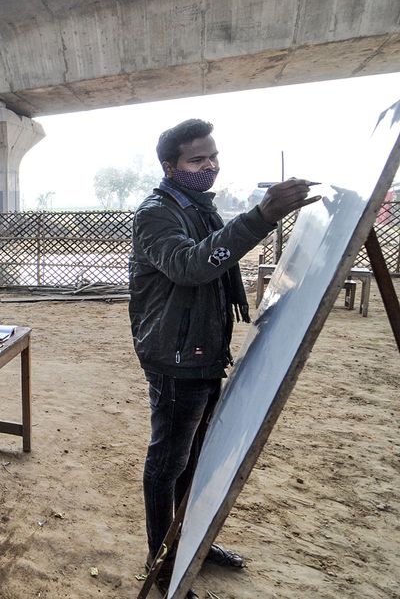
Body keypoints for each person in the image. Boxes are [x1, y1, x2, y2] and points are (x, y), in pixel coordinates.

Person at [130, 118, 319, 597]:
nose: (209, 166)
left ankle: (189, 541)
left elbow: (212, 259)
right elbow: (190, 266)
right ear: (170, 167)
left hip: (204, 350)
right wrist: (261, 216)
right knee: (168, 461)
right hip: (175, 357)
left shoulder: (199, 208)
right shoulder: (157, 213)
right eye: (197, 159)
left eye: (213, 156)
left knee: (196, 458)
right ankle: (162, 559)